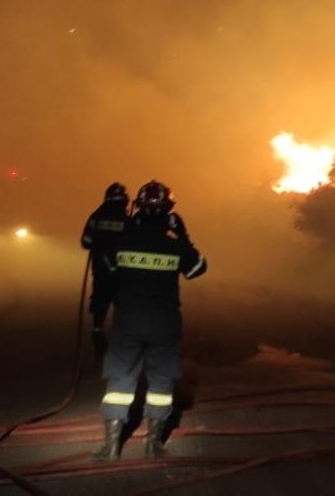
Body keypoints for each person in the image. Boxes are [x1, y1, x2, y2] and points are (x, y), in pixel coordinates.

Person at [93, 180, 207, 461]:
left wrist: (129, 231)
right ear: (169, 212)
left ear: (138, 209)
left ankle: (111, 446)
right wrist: (182, 234)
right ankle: (153, 444)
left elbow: (106, 266)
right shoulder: (175, 247)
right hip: (164, 324)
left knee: (119, 380)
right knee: (161, 382)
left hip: (127, 323)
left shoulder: (121, 244)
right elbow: (198, 268)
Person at [81, 182, 130, 361]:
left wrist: (98, 243)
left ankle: (98, 340)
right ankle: (121, 347)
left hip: (101, 272)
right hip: (122, 274)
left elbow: (86, 241)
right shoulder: (126, 220)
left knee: (99, 307)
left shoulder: (96, 216)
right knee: (123, 309)